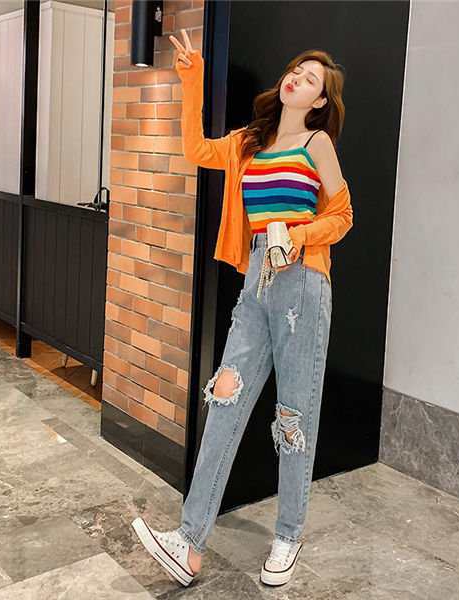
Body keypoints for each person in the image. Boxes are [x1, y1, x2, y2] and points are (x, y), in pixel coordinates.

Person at [131, 28, 352, 589]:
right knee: (225, 401)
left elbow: (343, 215)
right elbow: (196, 150)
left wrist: (298, 236)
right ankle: (189, 543)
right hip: (256, 280)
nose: (297, 79)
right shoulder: (249, 142)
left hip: (302, 281)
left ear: (320, 100)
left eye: (310, 79)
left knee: (293, 416)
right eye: (296, 70)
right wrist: (191, 79)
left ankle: (289, 535)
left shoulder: (317, 145)